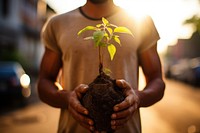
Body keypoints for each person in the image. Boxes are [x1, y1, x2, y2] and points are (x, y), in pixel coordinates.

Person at [38, 0, 165, 132]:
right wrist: (66, 99)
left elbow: (157, 80)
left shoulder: (141, 22)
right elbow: (44, 82)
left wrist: (138, 98)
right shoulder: (57, 24)